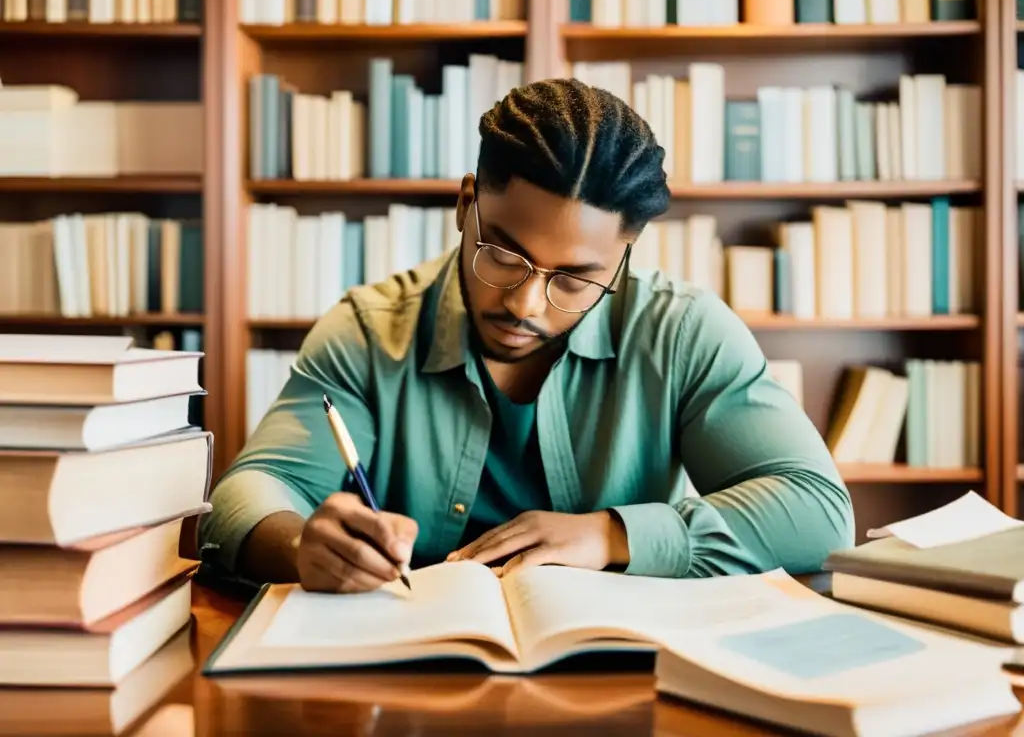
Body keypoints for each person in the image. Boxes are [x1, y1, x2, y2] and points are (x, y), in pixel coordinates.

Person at [199, 78, 855, 593]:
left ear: (622, 260)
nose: (526, 302)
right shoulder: (370, 332)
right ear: (465, 206)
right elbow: (247, 494)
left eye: (575, 279)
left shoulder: (682, 332)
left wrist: (611, 536)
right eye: (505, 255)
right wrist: (298, 546)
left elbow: (818, 512)